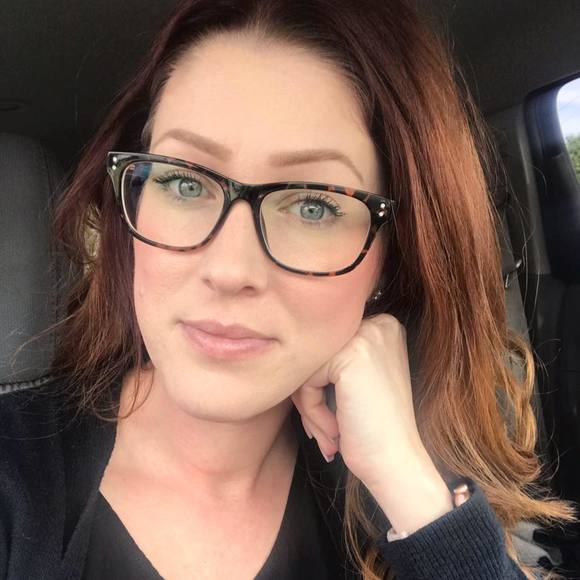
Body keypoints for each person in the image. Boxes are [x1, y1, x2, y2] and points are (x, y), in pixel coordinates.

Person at [0, 0, 575, 578]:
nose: (229, 269)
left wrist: (409, 486)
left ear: (389, 259)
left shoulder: (397, 489)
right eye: (184, 182)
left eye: (312, 206)